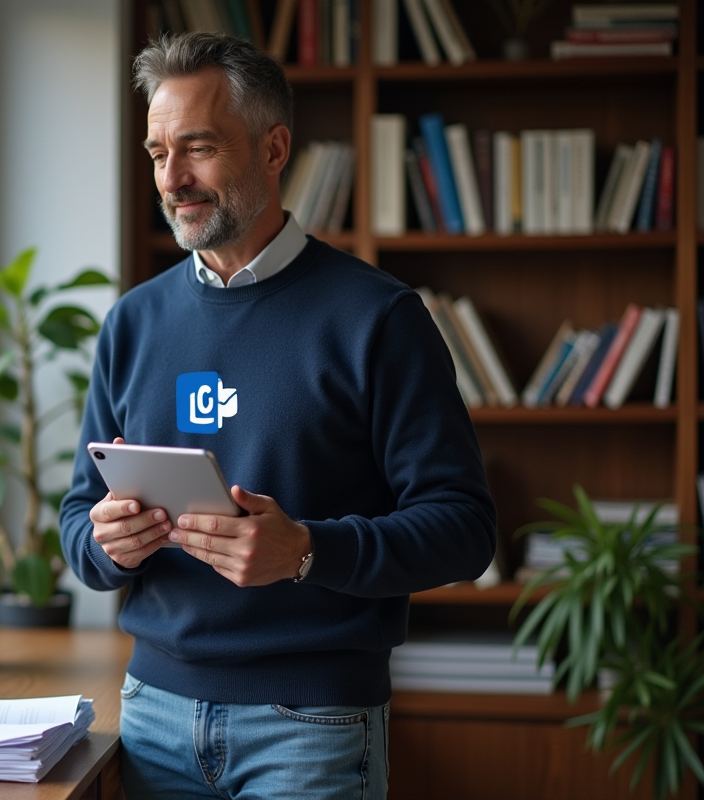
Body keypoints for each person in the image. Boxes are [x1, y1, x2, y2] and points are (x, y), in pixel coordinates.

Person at [59, 32, 496, 800]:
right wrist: (108, 545)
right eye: (158, 153)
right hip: (153, 717)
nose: (173, 179)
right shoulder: (132, 321)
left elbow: (464, 528)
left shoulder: (379, 318)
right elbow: (76, 519)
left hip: (315, 724)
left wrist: (305, 553)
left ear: (274, 148)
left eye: (196, 149)